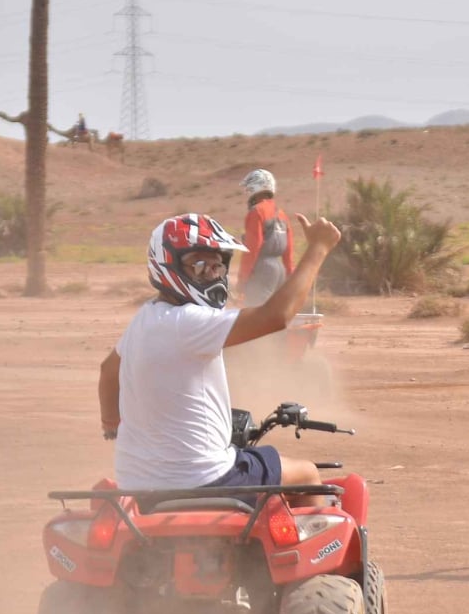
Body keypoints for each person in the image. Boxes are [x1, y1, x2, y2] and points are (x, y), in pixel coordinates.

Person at [98, 211, 341, 491]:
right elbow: (277, 316)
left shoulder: (145, 319)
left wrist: (112, 425)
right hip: (205, 478)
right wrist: (318, 248)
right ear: (167, 266)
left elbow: (108, 371)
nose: (212, 274)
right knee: (307, 474)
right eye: (200, 266)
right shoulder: (189, 321)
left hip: (136, 484)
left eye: (218, 266)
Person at [236, 168, 296, 307]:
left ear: (254, 187)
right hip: (279, 270)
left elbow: (252, 248)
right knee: (275, 313)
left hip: (262, 269)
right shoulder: (281, 214)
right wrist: (289, 275)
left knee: (255, 313)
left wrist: (242, 279)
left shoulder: (256, 212)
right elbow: (289, 249)